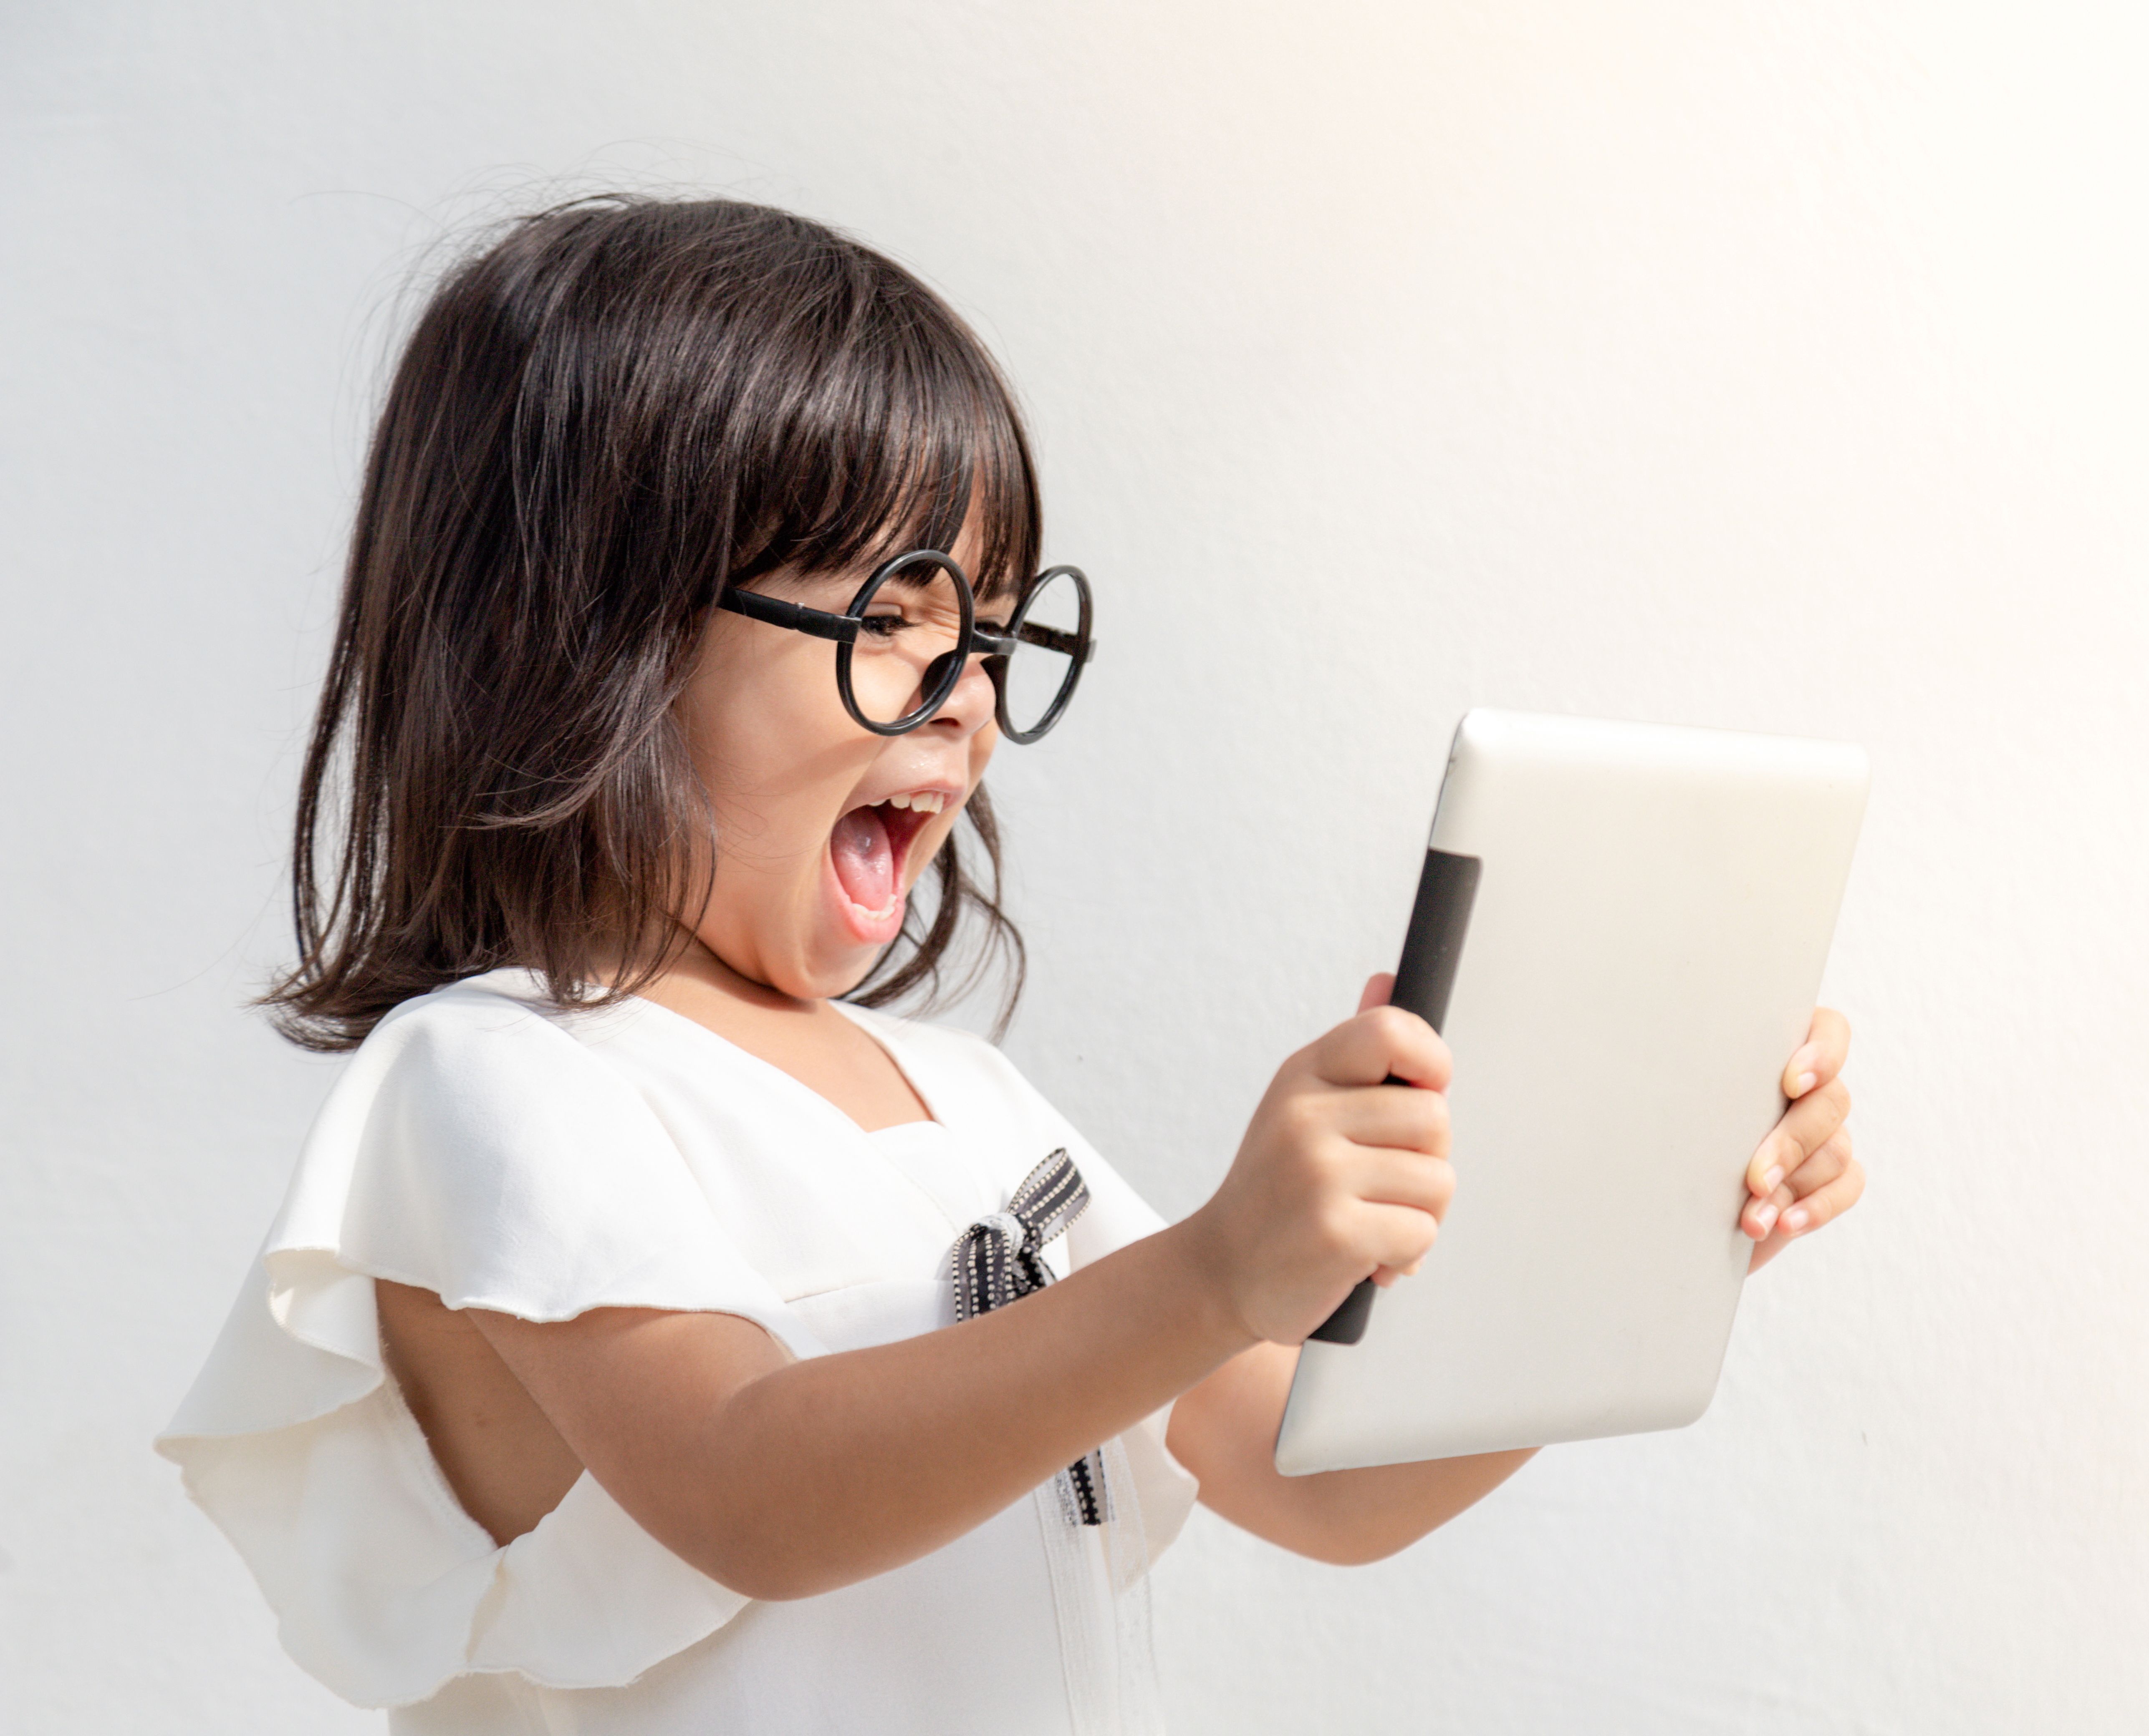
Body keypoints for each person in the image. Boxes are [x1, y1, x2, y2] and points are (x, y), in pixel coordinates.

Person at [155, 195, 1866, 1735]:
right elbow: (748, 1482)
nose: (964, 693)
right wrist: (1211, 1269)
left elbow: (1316, 1478)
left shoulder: (968, 1105)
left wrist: (1632, 1211)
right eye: (893, 616)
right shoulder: (495, 1076)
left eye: (988, 629)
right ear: (583, 633)